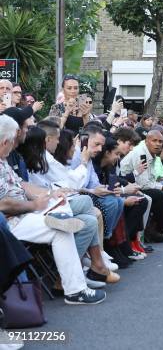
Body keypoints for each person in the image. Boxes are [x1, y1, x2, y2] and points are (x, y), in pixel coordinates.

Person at [0, 115, 106, 305]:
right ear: (4, 142)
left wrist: (50, 193)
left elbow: (21, 185)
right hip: (9, 222)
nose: (15, 144)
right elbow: (3, 204)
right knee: (62, 227)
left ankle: (76, 286)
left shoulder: (3, 160)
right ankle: (75, 289)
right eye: (13, 140)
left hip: (24, 213)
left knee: (65, 218)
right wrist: (34, 205)